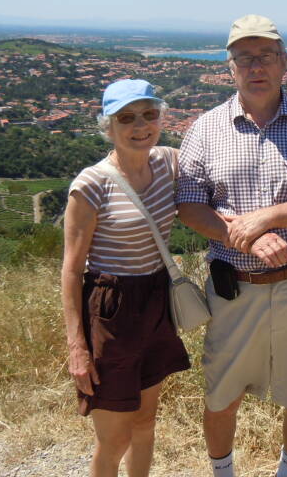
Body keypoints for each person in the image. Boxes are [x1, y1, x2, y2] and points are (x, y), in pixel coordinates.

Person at [176, 15, 287, 477]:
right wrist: (249, 240)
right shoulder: (205, 129)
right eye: (245, 58)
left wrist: (267, 218)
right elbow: (190, 207)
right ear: (230, 66)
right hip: (235, 284)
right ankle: (223, 473)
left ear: (284, 62)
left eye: (266, 56)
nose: (257, 67)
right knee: (221, 392)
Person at [61, 78, 191, 477]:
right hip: (111, 307)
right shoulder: (91, 185)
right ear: (109, 127)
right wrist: (77, 348)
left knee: (145, 424)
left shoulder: (168, 161)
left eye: (149, 115)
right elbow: (70, 269)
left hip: (155, 299)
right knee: (114, 438)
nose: (141, 126)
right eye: (127, 118)